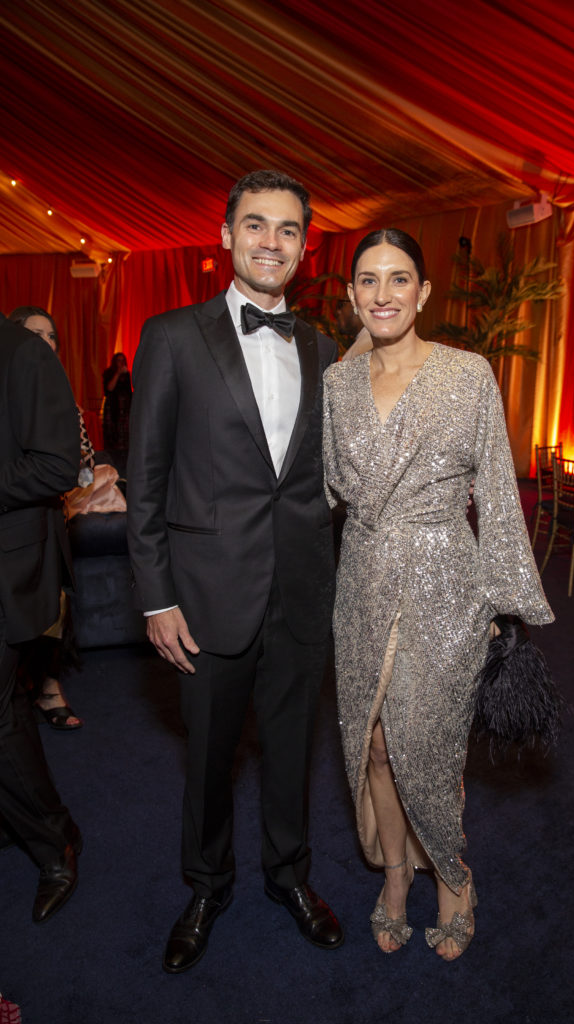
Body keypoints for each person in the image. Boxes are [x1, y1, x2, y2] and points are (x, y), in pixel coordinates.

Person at [127, 169, 343, 974]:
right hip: (206, 593)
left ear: (304, 244)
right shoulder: (173, 335)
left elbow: (324, 473)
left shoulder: (323, 345)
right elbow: (143, 476)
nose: (270, 242)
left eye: (287, 229)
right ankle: (206, 885)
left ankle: (289, 877)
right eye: (255, 225)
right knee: (208, 756)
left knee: (292, 750)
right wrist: (156, 598)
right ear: (224, 235)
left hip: (300, 588)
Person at [322, 229, 554, 961]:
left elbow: (495, 486)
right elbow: (328, 487)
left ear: (423, 293)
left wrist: (502, 602)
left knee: (430, 747)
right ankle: (395, 875)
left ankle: (453, 877)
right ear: (352, 294)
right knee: (376, 748)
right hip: (359, 581)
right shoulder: (335, 384)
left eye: (398, 279)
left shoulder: (467, 373)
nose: (382, 293)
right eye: (367, 280)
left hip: (444, 586)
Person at [0, 263, 83, 922]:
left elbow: (55, 464)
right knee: (4, 708)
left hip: (5, 567)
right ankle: (26, 819)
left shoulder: (23, 353)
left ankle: (54, 844)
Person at [8, 306, 88, 730]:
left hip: (51, 520)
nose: (45, 341)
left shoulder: (65, 400)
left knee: (55, 607)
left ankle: (48, 687)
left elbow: (82, 462)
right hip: (7, 522)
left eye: (52, 335)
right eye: (34, 333)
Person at [102, 352, 131, 454]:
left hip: (124, 408)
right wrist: (118, 373)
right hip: (113, 407)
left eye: (123, 360)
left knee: (124, 434)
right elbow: (109, 388)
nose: (121, 363)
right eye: (119, 360)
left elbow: (128, 391)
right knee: (112, 432)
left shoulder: (126, 375)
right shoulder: (109, 373)